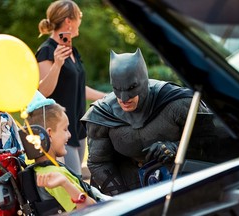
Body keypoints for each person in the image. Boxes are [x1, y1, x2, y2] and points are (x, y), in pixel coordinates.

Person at [81, 48, 212, 196]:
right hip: (129, 183)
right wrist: (123, 200)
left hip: (180, 181)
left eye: (131, 89)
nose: (124, 99)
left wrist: (175, 148)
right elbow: (99, 163)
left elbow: (211, 143)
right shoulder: (102, 115)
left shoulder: (179, 103)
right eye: (117, 89)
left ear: (143, 84)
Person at [36, 0, 105, 176]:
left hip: (78, 127)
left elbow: (78, 87)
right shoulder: (46, 51)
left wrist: (105, 96)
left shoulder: (73, 51)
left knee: (77, 184)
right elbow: (43, 92)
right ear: (69, 21)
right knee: (75, 185)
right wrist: (57, 65)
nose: (80, 21)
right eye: (79, 17)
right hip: (59, 129)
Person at [24, 96, 110, 214]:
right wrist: (65, 183)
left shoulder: (40, 170)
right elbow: (89, 210)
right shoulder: (54, 175)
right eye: (65, 129)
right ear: (49, 133)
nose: (69, 135)